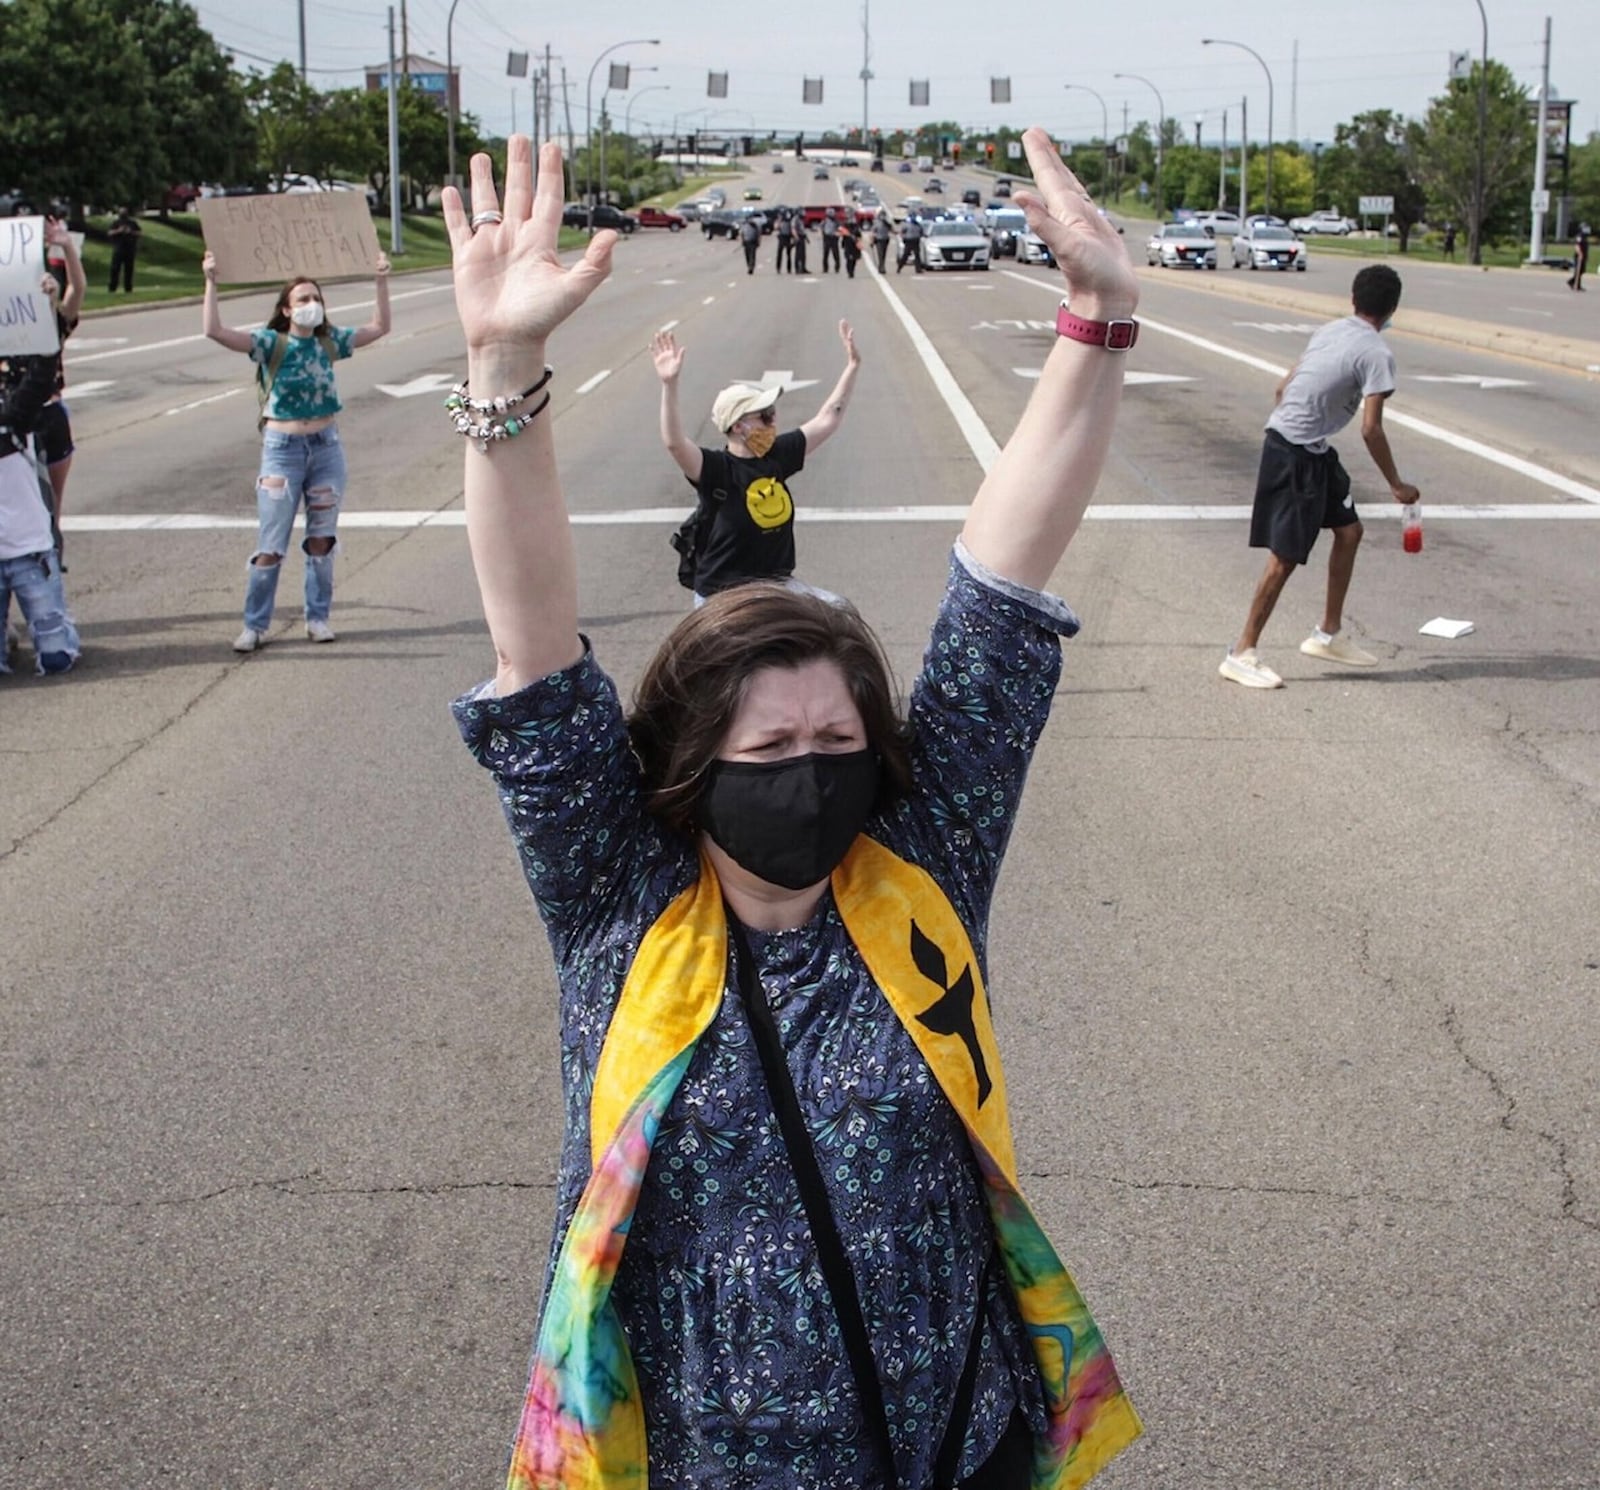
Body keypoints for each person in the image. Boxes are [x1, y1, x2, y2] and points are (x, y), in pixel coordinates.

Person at [445, 128, 1143, 1490]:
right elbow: (535, 647)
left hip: (960, 1447)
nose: (813, 768)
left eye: (839, 737)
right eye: (773, 744)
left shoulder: (919, 862)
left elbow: (1002, 583)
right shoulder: (621, 903)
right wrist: (500, 365)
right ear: (691, 766)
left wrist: (1099, 320)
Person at [1219, 264, 1420, 689]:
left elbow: (1283, 386)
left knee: (1349, 532)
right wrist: (1397, 485)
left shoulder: (1331, 330)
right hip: (1295, 454)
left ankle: (1328, 634)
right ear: (1392, 309)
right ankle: (1241, 652)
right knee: (1285, 557)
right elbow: (1371, 428)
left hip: (1308, 447)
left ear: (1353, 299)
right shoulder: (1377, 355)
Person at [200, 248, 391, 651]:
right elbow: (215, 331)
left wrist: (380, 279)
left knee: (321, 539)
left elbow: (379, 327)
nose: (312, 305)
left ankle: (317, 618)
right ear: (286, 310)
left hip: (326, 450)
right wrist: (211, 282)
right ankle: (254, 625)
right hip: (282, 450)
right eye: (303, 299)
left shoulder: (331, 341)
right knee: (271, 544)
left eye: (317, 298)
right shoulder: (271, 343)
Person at [651, 321, 859, 603]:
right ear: (738, 426)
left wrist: (852, 366)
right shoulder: (717, 469)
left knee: (840, 611)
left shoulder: (776, 455)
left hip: (776, 586)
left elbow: (828, 418)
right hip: (723, 595)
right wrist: (669, 384)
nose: (773, 421)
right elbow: (675, 443)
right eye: (765, 416)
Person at [0, 350, 80, 675]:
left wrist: (42, 319)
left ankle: (61, 626)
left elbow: (42, 373)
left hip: (29, 553)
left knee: (55, 659)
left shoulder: (14, 415)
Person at [37, 219, 87, 563]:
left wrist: (66, 246)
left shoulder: (54, 323)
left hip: (50, 417)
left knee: (50, 508)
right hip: (10, 422)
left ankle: (51, 569)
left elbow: (77, 290)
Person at [106, 207, 141, 293]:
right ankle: (112, 287)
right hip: (118, 249)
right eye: (121, 213)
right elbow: (109, 233)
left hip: (130, 249)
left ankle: (128, 287)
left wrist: (131, 231)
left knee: (129, 269)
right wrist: (119, 231)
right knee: (115, 269)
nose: (123, 214)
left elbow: (139, 233)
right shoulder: (116, 223)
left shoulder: (132, 223)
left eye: (124, 212)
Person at [871, 208, 893, 273]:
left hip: (885, 239)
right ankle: (881, 267)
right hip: (879, 240)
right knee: (880, 254)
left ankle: (881, 266)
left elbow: (891, 229)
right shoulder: (876, 222)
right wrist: (872, 241)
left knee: (883, 254)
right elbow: (873, 232)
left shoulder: (887, 223)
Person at [820, 206, 841, 273]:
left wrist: (838, 234)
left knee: (836, 254)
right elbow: (821, 227)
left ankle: (837, 267)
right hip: (827, 238)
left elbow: (840, 229)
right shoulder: (825, 220)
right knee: (826, 254)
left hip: (834, 239)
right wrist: (822, 234)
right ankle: (825, 268)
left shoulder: (836, 221)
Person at [1569, 224, 1589, 291]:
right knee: (1578, 271)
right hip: (1579, 256)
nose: (1587, 230)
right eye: (1585, 228)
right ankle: (1576, 285)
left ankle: (1572, 282)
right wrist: (1580, 254)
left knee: (1582, 271)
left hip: (1583, 256)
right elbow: (1577, 246)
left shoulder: (1584, 237)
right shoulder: (1579, 236)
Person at [774, 208, 795, 273]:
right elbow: (776, 227)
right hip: (782, 237)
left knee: (788, 254)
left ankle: (789, 268)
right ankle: (778, 268)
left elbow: (792, 229)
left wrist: (793, 238)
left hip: (788, 237)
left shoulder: (789, 221)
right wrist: (779, 221)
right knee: (779, 253)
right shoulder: (779, 221)